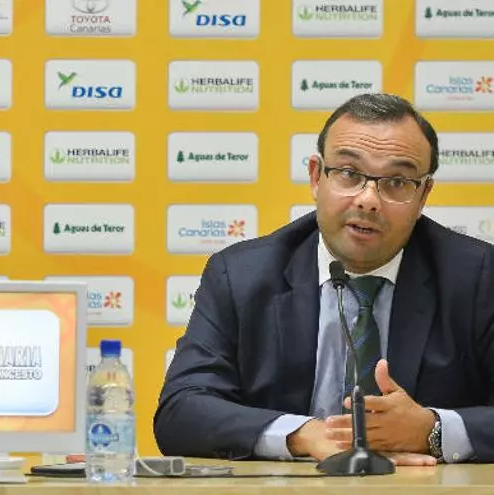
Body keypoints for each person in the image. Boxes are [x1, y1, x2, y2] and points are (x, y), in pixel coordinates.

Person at [155, 93, 494, 465]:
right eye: (349, 174)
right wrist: (302, 435)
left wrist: (431, 430)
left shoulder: (478, 278)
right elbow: (181, 410)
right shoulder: (241, 276)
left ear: (423, 194)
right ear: (317, 177)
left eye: (397, 181)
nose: (368, 200)